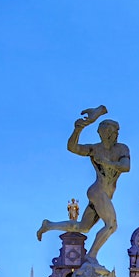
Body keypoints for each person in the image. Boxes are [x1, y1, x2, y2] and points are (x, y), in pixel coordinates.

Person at [36, 106, 130, 259]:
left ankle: (49, 225)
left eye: (117, 132)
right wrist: (78, 129)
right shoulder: (95, 149)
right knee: (111, 225)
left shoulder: (121, 149)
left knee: (83, 227)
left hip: (104, 194)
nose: (117, 135)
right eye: (114, 132)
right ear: (105, 133)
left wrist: (107, 162)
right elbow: (72, 147)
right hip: (97, 191)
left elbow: (126, 167)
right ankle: (91, 256)